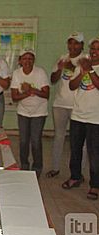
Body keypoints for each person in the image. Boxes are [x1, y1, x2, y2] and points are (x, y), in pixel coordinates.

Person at [62, 37, 99, 200]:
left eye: (97, 49)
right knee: (75, 149)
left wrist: (90, 71)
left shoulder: (90, 67)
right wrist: (82, 72)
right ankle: (75, 176)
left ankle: (95, 185)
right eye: (92, 48)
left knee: (94, 153)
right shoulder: (81, 65)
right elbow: (72, 86)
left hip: (95, 118)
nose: (94, 51)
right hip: (77, 115)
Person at [46, 32, 85, 178]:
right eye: (70, 42)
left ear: (82, 45)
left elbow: (84, 78)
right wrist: (59, 69)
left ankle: (78, 172)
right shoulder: (62, 58)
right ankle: (55, 168)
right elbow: (53, 79)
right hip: (60, 104)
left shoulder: (85, 59)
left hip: (78, 106)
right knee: (58, 137)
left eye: (76, 43)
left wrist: (71, 67)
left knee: (78, 141)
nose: (73, 46)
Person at [11, 48, 49, 178]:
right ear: (20, 61)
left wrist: (31, 89)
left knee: (36, 140)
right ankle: (24, 166)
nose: (27, 61)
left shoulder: (40, 72)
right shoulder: (17, 73)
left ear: (34, 60)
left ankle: (37, 167)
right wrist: (28, 93)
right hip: (23, 112)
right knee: (23, 141)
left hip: (39, 112)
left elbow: (46, 94)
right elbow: (14, 97)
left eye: (30, 58)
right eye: (25, 58)